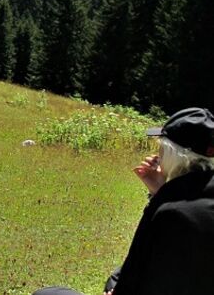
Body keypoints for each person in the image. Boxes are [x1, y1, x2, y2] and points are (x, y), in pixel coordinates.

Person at [34, 107, 214, 295]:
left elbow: (143, 267)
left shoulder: (170, 212)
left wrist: (159, 199)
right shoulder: (197, 196)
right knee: (114, 278)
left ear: (173, 154)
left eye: (161, 149)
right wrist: (159, 192)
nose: (158, 156)